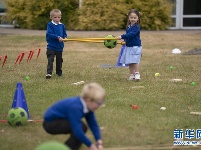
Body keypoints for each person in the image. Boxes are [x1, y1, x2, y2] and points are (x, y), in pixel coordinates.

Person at [42, 82, 105, 150]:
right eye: (99, 103)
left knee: (82, 128)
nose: (100, 105)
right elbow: (77, 130)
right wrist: (91, 146)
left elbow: (93, 124)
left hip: (62, 120)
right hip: (50, 123)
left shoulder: (88, 108)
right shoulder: (75, 107)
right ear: (89, 100)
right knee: (81, 128)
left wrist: (99, 142)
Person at [117, 9, 142, 81]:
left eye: (135, 18)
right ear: (129, 17)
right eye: (131, 17)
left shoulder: (136, 27)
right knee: (129, 61)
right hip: (129, 46)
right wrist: (124, 41)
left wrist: (122, 36)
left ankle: (137, 74)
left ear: (138, 18)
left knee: (135, 61)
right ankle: (132, 75)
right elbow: (128, 36)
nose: (133, 19)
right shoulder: (129, 26)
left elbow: (131, 35)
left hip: (135, 47)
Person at [46, 9, 67, 79]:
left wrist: (65, 38)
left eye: (59, 17)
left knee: (59, 61)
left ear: (60, 17)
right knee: (50, 60)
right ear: (51, 17)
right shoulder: (50, 25)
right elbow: (50, 34)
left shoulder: (62, 25)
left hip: (59, 47)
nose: (57, 19)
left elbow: (64, 33)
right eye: (55, 17)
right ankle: (49, 73)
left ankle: (59, 73)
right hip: (51, 47)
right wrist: (57, 37)